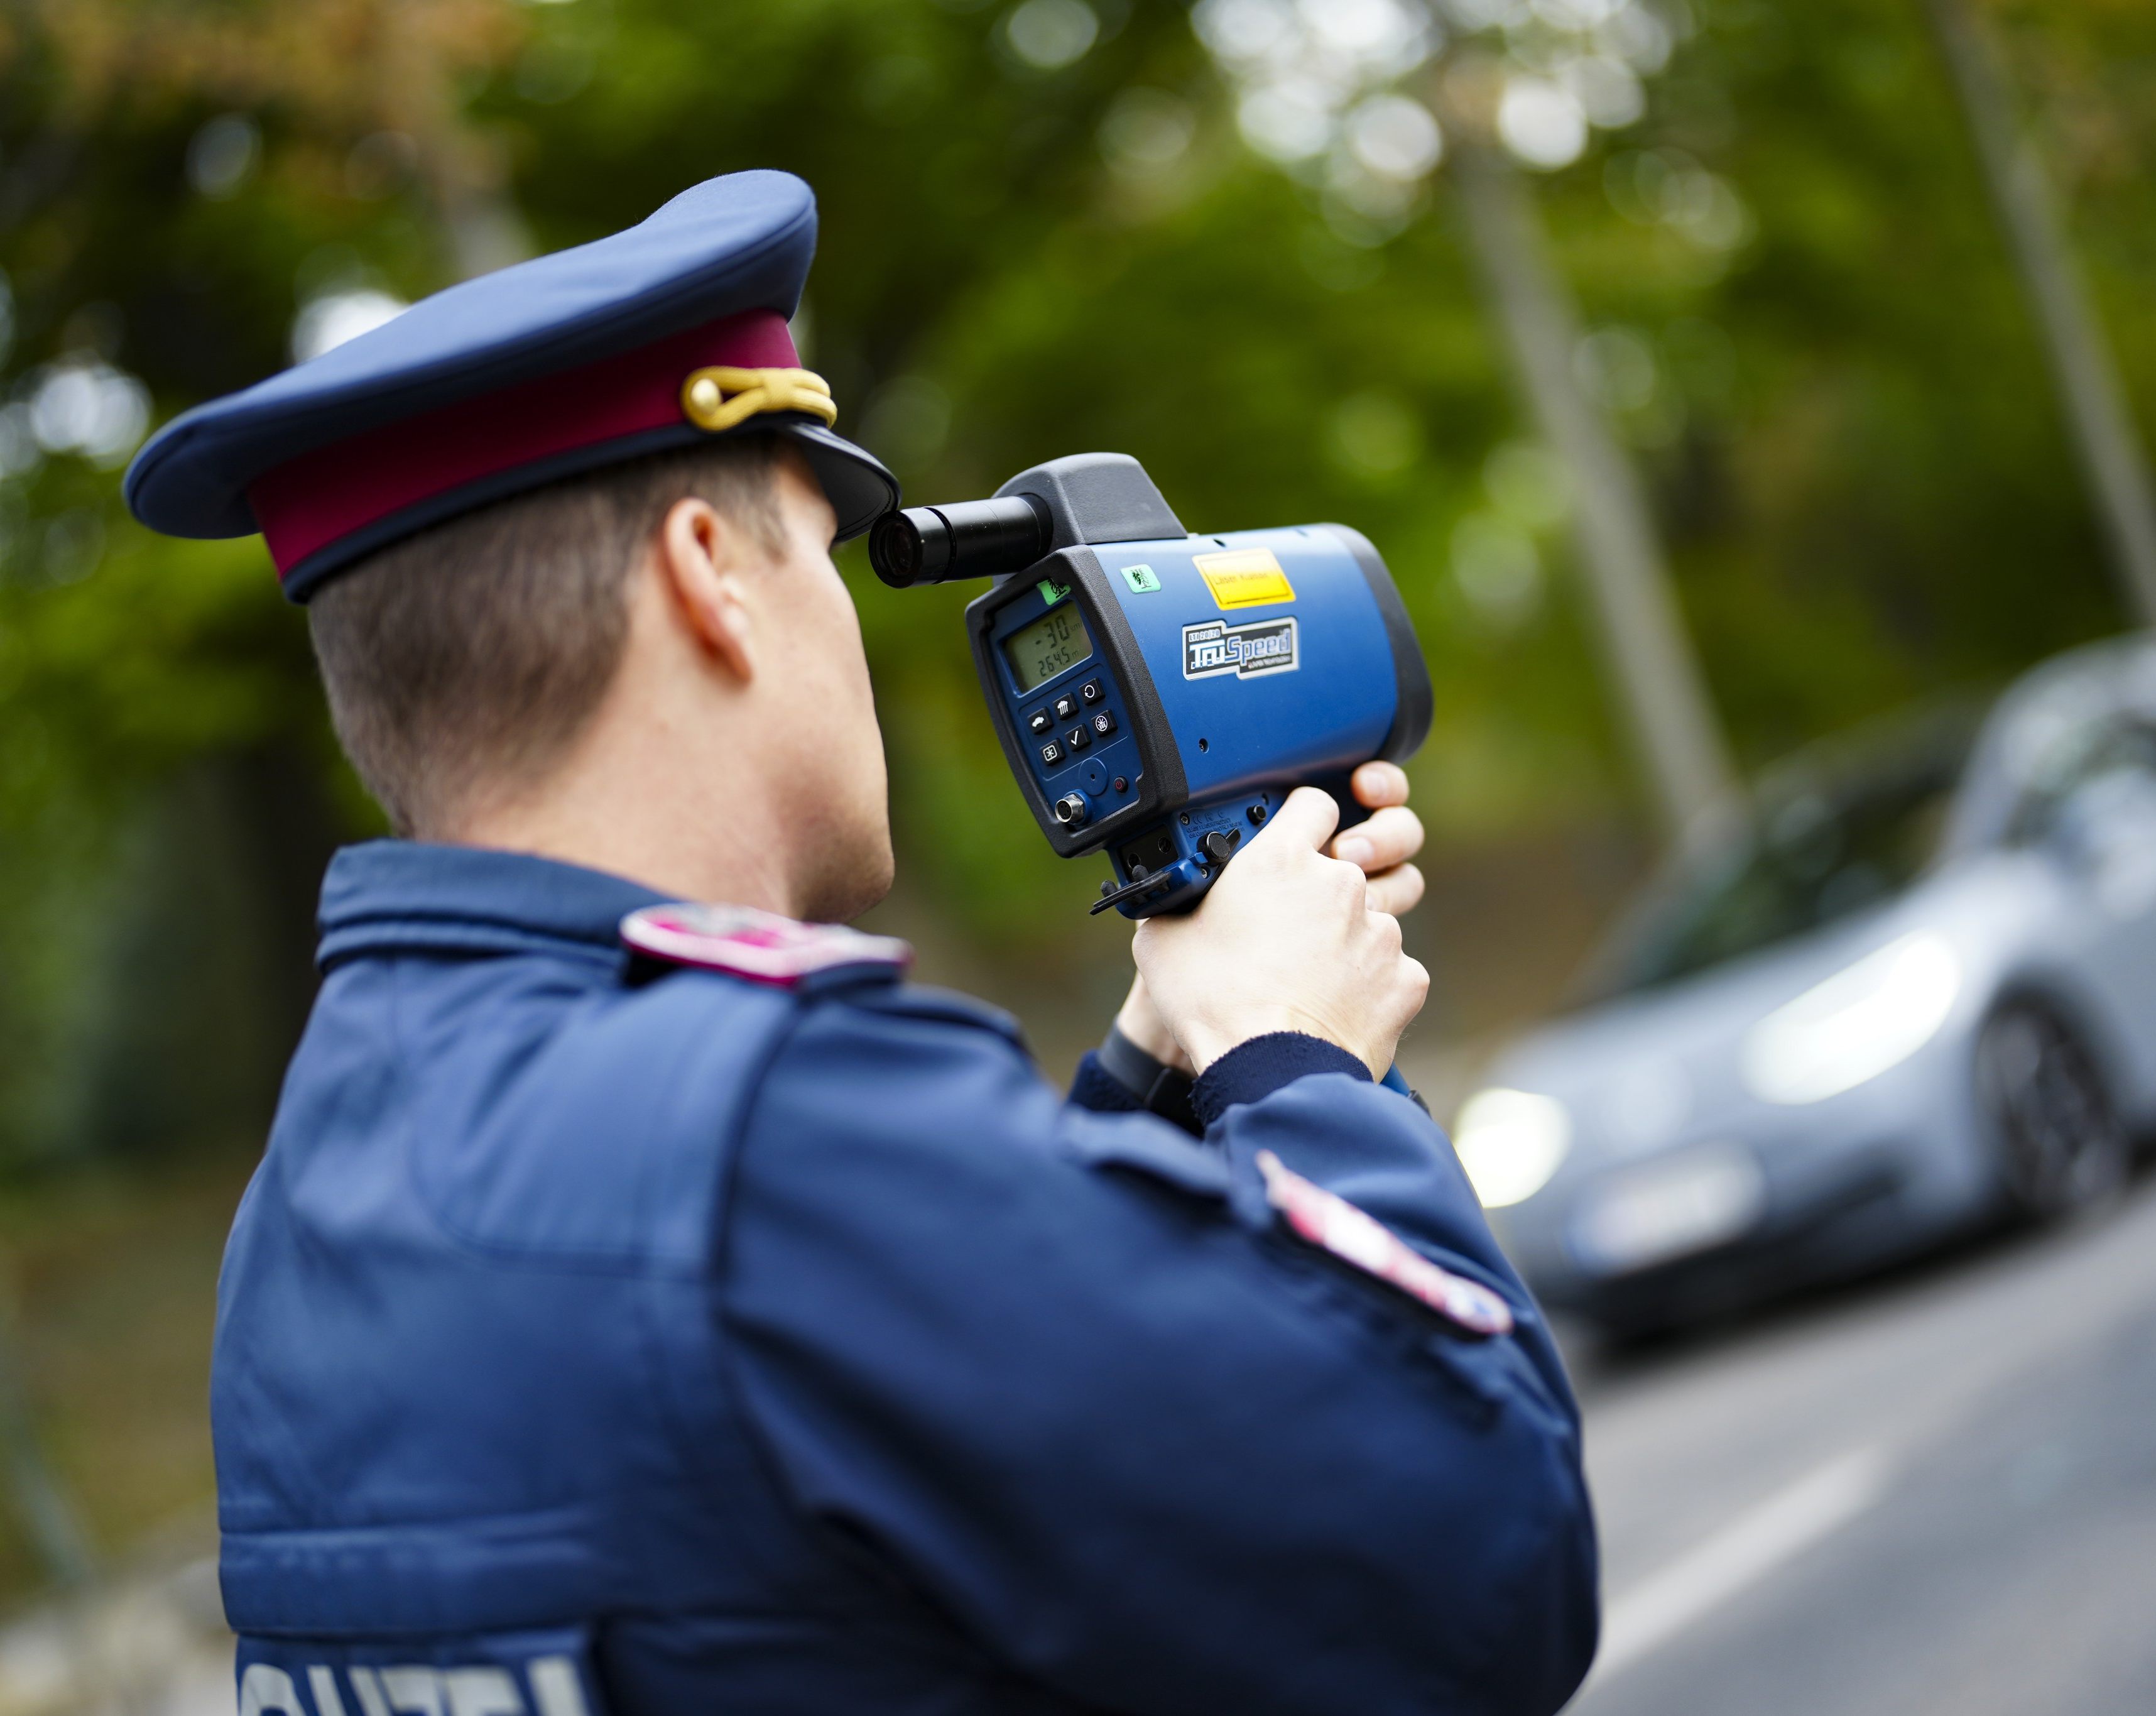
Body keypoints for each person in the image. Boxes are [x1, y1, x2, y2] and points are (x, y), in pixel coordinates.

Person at [126, 172, 1597, 1716]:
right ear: (709, 575)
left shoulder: (300, 1218)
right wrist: (1301, 1067)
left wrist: (1155, 1077)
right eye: (821, 554)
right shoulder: (770, 1139)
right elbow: (1474, 1562)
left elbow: (834, 1496)